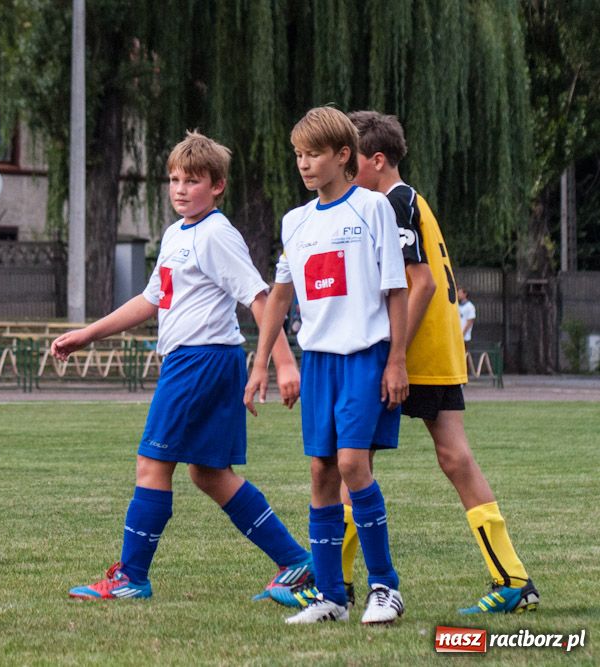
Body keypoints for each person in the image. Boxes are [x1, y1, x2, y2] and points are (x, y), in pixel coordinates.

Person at [52, 130, 314, 603]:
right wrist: (88, 334)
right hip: (203, 362)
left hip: (201, 361)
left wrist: (283, 365)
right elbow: (152, 299)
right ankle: (296, 563)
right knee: (208, 473)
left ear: (216, 186)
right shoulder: (177, 233)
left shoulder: (216, 234)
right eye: (173, 179)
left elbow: (260, 298)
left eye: (192, 180)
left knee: (152, 463)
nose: (179, 188)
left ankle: (131, 576)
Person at [333, 111, 536, 615]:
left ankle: (333, 584)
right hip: (434, 349)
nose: (342, 167)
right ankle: (513, 578)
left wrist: (395, 355)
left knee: (353, 460)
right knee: (447, 458)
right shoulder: (409, 199)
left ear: (376, 161)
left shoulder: (393, 203)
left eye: (348, 158)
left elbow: (418, 280)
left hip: (412, 353)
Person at [245, 107, 409, 624]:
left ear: (343, 156)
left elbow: (396, 289)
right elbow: (279, 297)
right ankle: (331, 596)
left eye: (314, 154)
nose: (305, 164)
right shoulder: (295, 222)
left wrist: (396, 360)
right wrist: (259, 367)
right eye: (298, 155)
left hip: (365, 358)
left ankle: (385, 587)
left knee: (353, 466)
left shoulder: (373, 208)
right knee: (320, 471)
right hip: (317, 363)